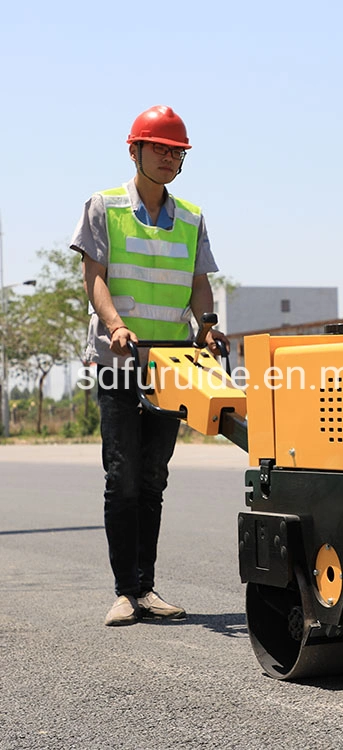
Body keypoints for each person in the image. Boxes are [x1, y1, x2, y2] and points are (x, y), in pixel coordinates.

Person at [71, 105, 229, 626]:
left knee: (154, 478)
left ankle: (147, 587)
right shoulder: (105, 206)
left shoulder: (191, 218)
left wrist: (206, 326)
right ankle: (123, 591)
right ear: (134, 149)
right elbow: (96, 277)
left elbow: (199, 283)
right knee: (123, 477)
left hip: (171, 364)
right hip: (117, 360)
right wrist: (115, 324)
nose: (167, 158)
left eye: (176, 151)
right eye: (158, 148)